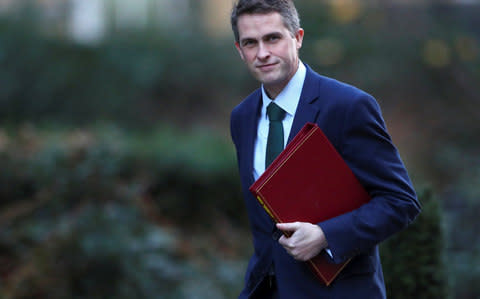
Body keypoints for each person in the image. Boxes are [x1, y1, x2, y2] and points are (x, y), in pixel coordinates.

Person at [229, 0, 421, 298]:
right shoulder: (242, 118)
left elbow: (400, 201)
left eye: (273, 38)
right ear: (240, 50)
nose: (263, 53)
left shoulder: (348, 107)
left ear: (298, 37)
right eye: (250, 43)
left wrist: (325, 236)